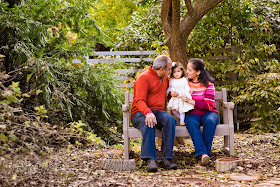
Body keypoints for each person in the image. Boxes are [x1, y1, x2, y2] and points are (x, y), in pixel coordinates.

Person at [131, 55, 177, 172]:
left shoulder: (165, 79)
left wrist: (172, 95)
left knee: (170, 120)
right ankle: (150, 159)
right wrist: (148, 113)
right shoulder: (144, 78)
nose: (170, 71)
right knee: (149, 122)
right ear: (161, 69)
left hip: (158, 113)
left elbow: (166, 94)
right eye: (169, 69)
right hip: (140, 113)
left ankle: (166, 158)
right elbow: (139, 100)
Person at [176, 58, 219, 167]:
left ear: (198, 72)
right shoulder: (184, 82)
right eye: (187, 69)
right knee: (191, 122)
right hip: (192, 113)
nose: (187, 72)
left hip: (209, 112)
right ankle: (203, 155)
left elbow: (209, 105)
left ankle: (203, 155)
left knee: (210, 121)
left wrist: (191, 101)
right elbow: (173, 93)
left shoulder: (209, 84)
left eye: (190, 70)